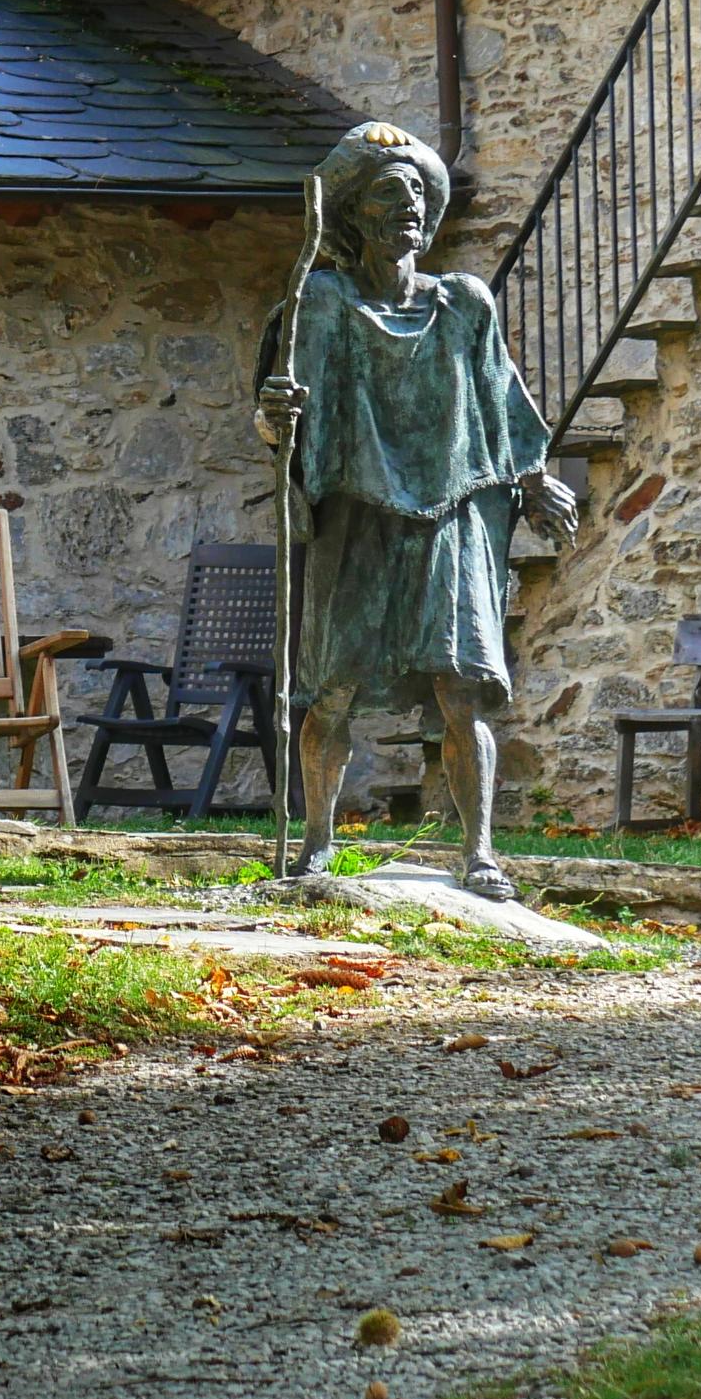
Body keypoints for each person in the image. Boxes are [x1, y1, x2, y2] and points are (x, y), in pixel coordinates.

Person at [255, 123, 578, 897]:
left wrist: (533, 481)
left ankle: (481, 854)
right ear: (356, 216)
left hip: (453, 512)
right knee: (331, 687)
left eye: (418, 196)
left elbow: (504, 405)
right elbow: (278, 418)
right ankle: (319, 843)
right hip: (358, 511)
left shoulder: (465, 305)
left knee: (461, 687)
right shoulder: (322, 302)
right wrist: (274, 418)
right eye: (387, 195)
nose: (406, 209)